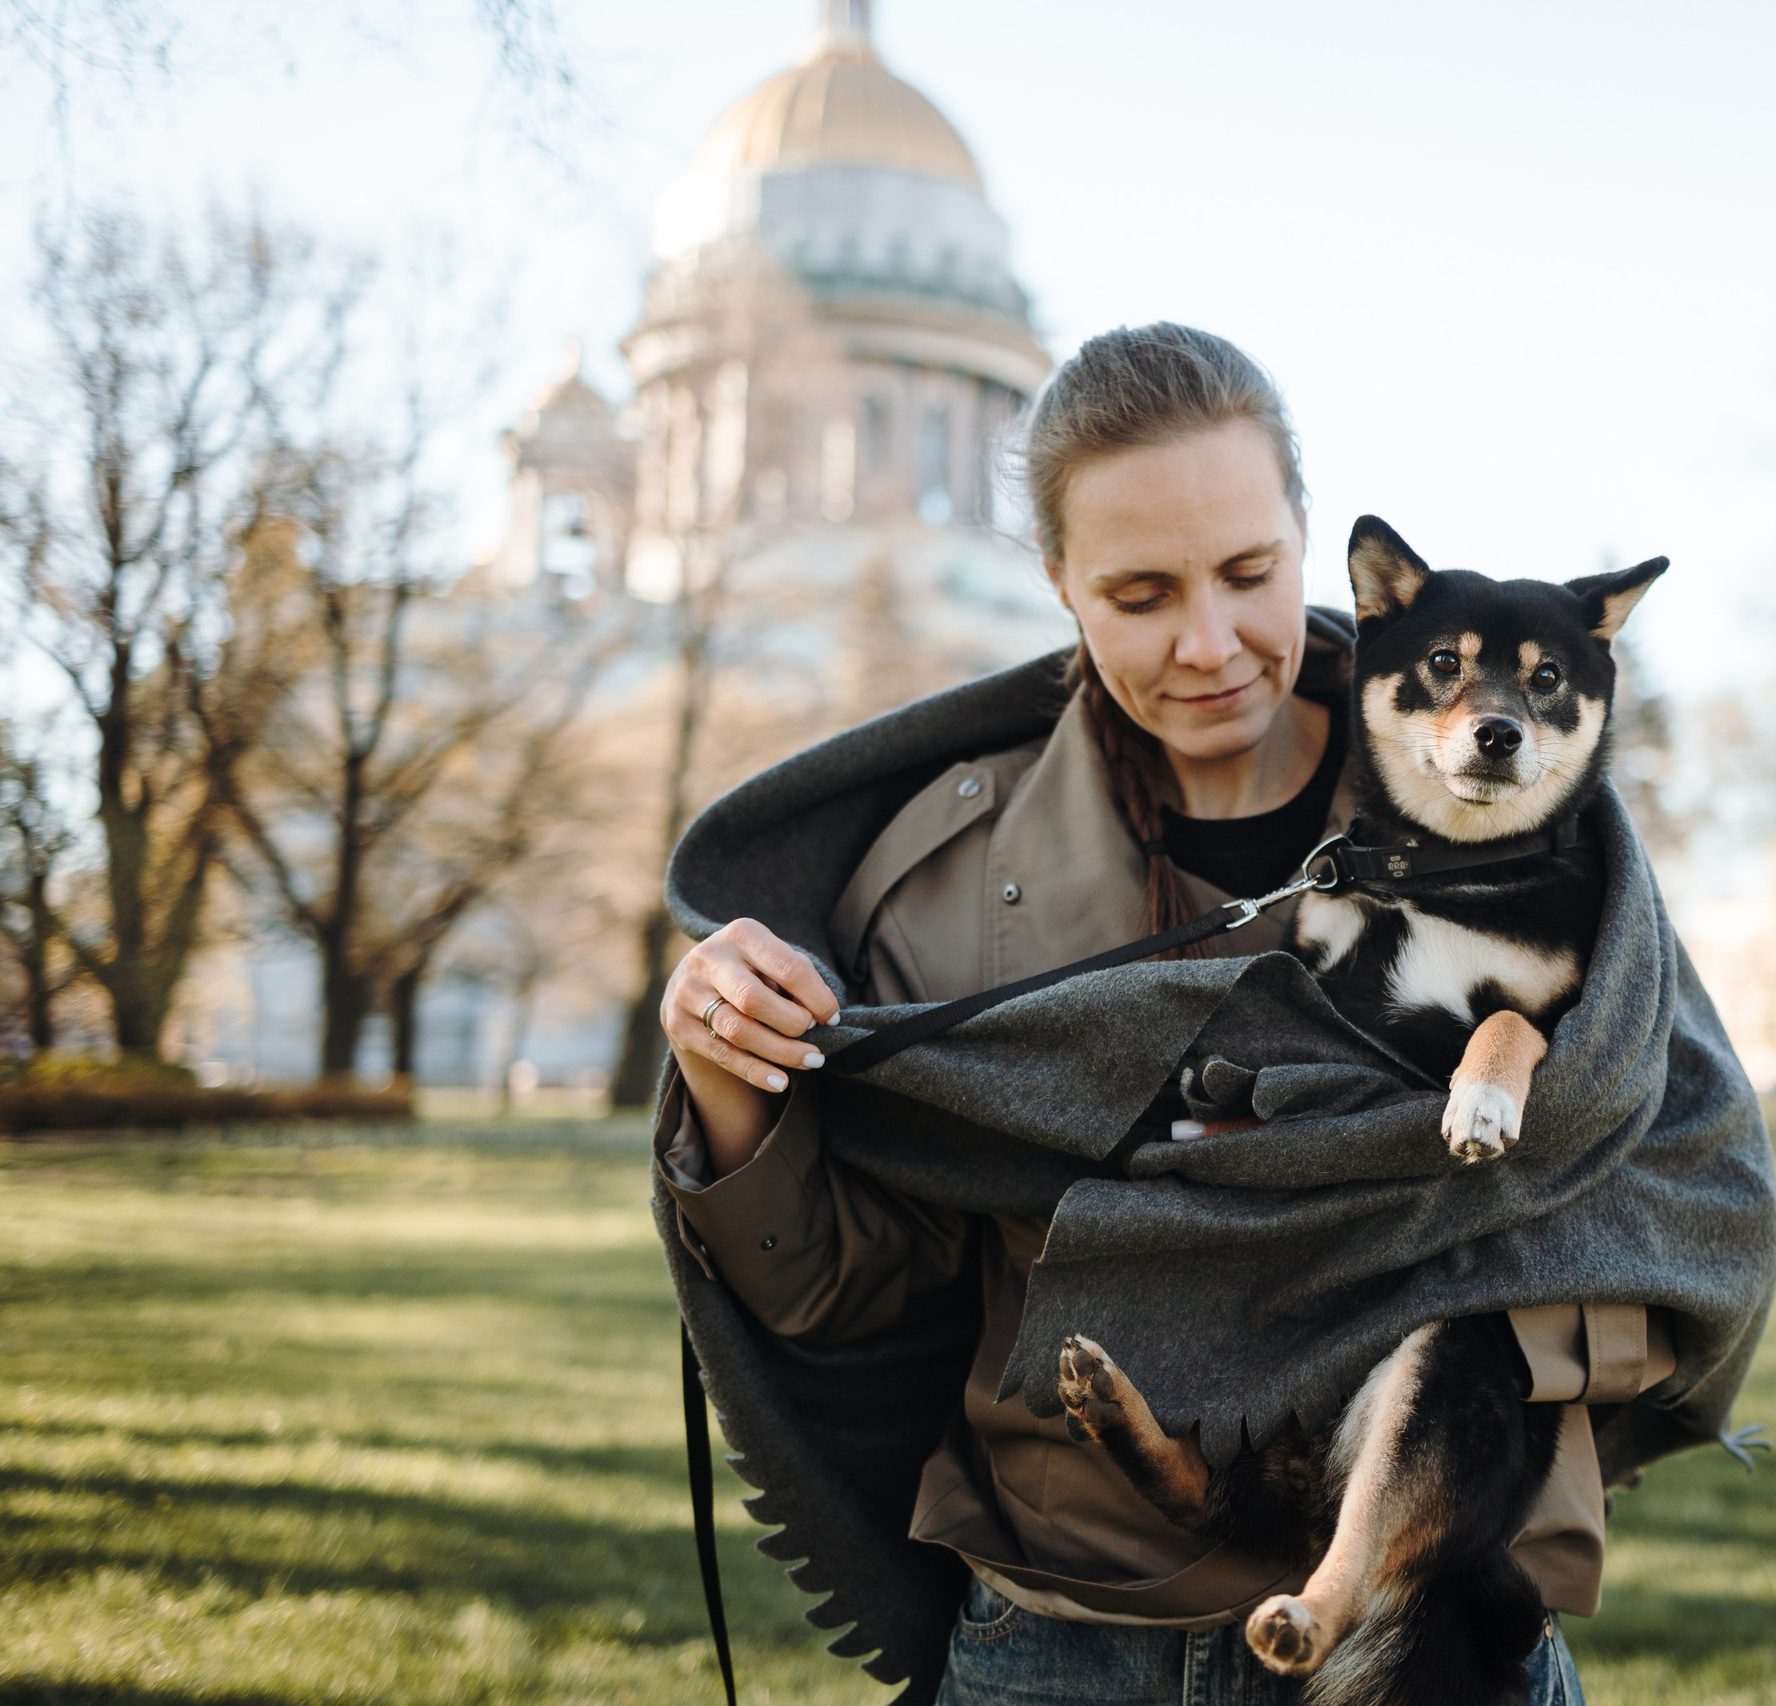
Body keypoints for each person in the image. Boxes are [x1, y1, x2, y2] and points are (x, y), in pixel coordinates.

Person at [652, 325, 1674, 1705]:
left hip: (1439, 1631)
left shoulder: (1554, 843)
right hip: (1063, 1643)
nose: (1210, 645)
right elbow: (846, 1286)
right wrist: (732, 1073)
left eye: (1251, 574)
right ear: (1060, 581)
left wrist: (1468, 1347)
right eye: (1138, 591)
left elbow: (1679, 1196)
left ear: (1312, 541)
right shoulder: (940, 881)